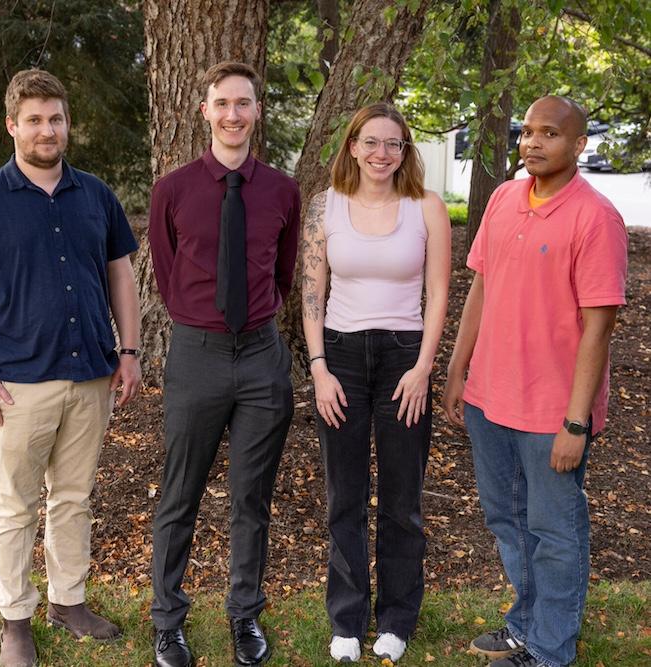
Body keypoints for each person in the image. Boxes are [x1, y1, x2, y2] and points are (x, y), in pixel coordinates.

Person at [443, 96, 628, 667]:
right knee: (507, 522)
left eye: (549, 133)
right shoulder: (502, 198)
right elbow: (480, 288)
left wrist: (576, 422)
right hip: (488, 399)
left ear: (578, 145)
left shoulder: (596, 218)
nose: (533, 143)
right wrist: (457, 368)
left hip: (552, 412)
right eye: (527, 132)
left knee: (555, 530)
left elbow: (598, 330)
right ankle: (525, 625)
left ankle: (550, 648)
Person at [0, 69, 141, 667]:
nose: (46, 130)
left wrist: (128, 351)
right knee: (16, 505)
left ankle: (68, 601)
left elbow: (120, 275)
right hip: (16, 384)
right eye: (34, 120)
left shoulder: (95, 194)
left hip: (91, 376)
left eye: (55, 119)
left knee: (74, 497)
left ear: (67, 124)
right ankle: (15, 619)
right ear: (12, 126)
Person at [149, 61, 300, 667]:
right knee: (179, 494)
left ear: (256, 111)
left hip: (262, 357)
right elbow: (165, 273)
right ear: (205, 111)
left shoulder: (283, 191)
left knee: (250, 499)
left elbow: (283, 275)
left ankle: (244, 616)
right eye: (222, 104)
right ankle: (168, 622)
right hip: (197, 355)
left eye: (243, 103)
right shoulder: (173, 190)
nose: (233, 115)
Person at [302, 102, 451, 663]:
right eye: (371, 141)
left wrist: (423, 368)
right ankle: (347, 621)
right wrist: (318, 368)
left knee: (400, 500)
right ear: (352, 146)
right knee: (344, 495)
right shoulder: (325, 206)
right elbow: (311, 293)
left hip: (403, 359)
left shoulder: (426, 208)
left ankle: (395, 619)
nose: (381, 153)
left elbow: (438, 293)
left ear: (404, 151)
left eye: (393, 143)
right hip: (338, 355)